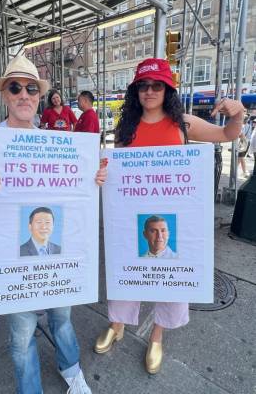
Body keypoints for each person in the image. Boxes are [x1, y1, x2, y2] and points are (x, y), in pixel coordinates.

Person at [0, 55, 104, 394]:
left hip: (57, 253)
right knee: (21, 335)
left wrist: (94, 178)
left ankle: (71, 368)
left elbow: (76, 196)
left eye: (31, 88)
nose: (24, 94)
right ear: (5, 94)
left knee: (62, 317)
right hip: (11, 260)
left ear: (39, 96)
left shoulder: (55, 142)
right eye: (15, 87)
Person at [94, 58, 244, 375]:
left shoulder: (183, 124)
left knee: (171, 279)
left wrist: (238, 110)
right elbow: (117, 173)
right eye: (143, 86)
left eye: (156, 85)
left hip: (173, 217)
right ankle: (117, 323)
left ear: (167, 90)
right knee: (126, 270)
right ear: (135, 91)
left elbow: (229, 133)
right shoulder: (126, 129)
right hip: (133, 216)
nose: (149, 91)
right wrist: (105, 174)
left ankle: (157, 335)